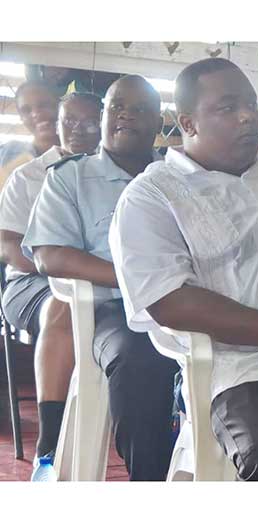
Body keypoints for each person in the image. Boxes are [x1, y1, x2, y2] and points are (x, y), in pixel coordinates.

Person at [109, 58, 258, 481]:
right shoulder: (153, 196)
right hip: (241, 368)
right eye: (228, 107)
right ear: (188, 122)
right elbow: (169, 300)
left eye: (251, 105)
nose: (247, 117)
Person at [21, 75, 178, 481]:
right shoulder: (70, 177)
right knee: (141, 360)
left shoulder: (180, 176)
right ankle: (150, 483)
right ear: (106, 115)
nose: (125, 113)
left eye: (139, 108)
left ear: (159, 124)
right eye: (116, 106)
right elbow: (49, 255)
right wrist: (137, 281)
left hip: (191, 306)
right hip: (115, 310)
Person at [0, 92, 102, 480]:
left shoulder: (116, 173)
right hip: (32, 282)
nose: (77, 130)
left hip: (95, 282)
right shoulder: (30, 175)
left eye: (89, 122)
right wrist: (60, 271)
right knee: (65, 302)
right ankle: (50, 443)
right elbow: (9, 246)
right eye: (69, 121)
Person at [0, 81, 60, 188]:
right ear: (21, 118)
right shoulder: (7, 154)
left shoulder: (82, 155)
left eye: (44, 105)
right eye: (26, 110)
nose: (36, 114)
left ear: (59, 106)